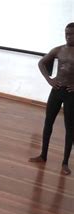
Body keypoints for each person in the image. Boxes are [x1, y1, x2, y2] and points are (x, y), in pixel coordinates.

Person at [29, 23, 74, 175]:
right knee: (48, 121)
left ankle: (65, 162)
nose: (68, 37)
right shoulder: (59, 49)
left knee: (70, 127)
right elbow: (41, 63)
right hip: (56, 90)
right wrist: (49, 80)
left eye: (71, 34)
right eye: (66, 34)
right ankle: (43, 155)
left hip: (71, 93)